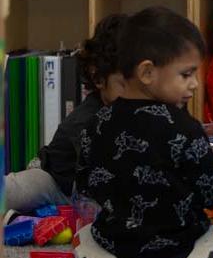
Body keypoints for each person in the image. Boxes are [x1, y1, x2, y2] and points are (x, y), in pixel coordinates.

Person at [74, 7, 213, 258]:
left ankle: (92, 248)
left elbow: (87, 184)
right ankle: (203, 255)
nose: (194, 84)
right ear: (146, 73)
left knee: (96, 229)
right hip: (179, 246)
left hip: (115, 242)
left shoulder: (93, 125)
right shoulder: (185, 129)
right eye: (186, 74)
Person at [4, 14, 127, 217]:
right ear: (98, 77)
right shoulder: (87, 118)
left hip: (89, 195)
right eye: (124, 84)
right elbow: (96, 171)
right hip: (54, 181)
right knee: (16, 191)